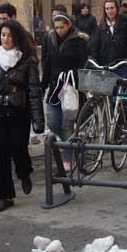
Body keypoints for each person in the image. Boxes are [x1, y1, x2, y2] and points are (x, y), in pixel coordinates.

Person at [0, 19, 44, 212]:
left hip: (19, 112)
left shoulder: (27, 59)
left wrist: (38, 120)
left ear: (17, 37)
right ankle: (5, 196)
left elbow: (33, 90)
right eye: (3, 35)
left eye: (10, 35)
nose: (6, 39)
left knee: (18, 149)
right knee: (1, 155)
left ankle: (24, 173)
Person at [41, 12, 89, 170]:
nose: (59, 30)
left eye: (62, 27)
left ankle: (68, 157)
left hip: (70, 86)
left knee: (67, 124)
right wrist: (43, 86)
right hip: (55, 86)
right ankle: (71, 145)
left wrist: (73, 76)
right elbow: (47, 62)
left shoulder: (78, 40)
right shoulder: (50, 38)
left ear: (68, 25)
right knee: (53, 123)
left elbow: (83, 64)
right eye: (56, 28)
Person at [90, 0, 127, 75]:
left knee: (121, 86)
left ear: (117, 8)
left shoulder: (126, 24)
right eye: (107, 9)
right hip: (105, 67)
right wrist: (94, 66)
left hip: (122, 66)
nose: (109, 11)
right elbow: (95, 47)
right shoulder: (101, 27)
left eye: (112, 8)